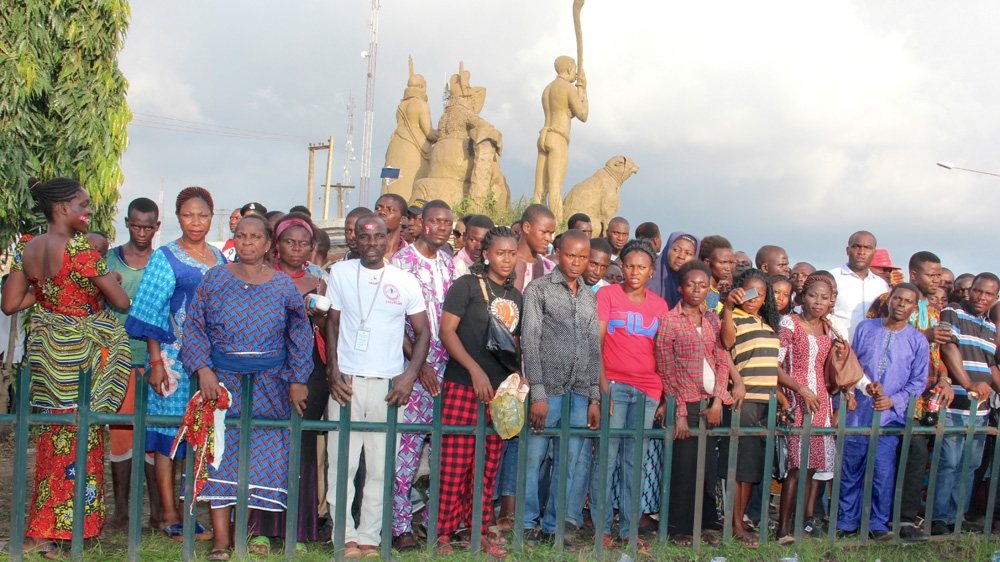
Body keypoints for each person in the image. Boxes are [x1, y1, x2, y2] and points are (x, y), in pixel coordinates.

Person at [1, 177, 131, 556]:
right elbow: (121, 301)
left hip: (48, 357)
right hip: (80, 360)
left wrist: (49, 291)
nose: (88, 211)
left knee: (53, 440)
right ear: (62, 208)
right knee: (81, 438)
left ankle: (42, 530)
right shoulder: (79, 250)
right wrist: (108, 279)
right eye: (83, 205)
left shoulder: (28, 246)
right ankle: (70, 532)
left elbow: (11, 304)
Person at [181, 214, 313, 560]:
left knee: (261, 461)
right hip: (222, 384)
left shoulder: (283, 285)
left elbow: (300, 334)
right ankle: (221, 541)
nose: (247, 242)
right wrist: (203, 370)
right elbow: (194, 326)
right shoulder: (215, 278)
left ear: (268, 244)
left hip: (271, 386)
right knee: (219, 459)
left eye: (255, 237)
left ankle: (247, 534)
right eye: (241, 236)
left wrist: (298, 379)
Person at [324, 214, 430, 557]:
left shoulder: (404, 280)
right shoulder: (340, 273)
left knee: (380, 468)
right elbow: (332, 324)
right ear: (354, 239)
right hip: (348, 382)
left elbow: (424, 332)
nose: (372, 243)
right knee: (343, 464)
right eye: (365, 237)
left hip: (388, 385)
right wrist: (333, 370)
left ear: (389, 238)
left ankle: (369, 536)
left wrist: (409, 375)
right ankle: (344, 535)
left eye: (379, 236)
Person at [126, 187, 226, 541]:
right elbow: (152, 310)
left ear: (211, 217)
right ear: (178, 218)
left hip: (210, 364)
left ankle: (189, 510)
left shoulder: (220, 258)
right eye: (187, 215)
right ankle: (167, 513)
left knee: (199, 434)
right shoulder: (165, 256)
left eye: (202, 215)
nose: (195, 222)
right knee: (168, 435)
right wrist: (156, 361)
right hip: (172, 361)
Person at [243, 212, 330, 547]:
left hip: (310, 371)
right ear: (276, 245)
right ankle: (260, 529)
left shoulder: (319, 281)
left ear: (311, 247)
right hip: (269, 369)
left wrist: (317, 318)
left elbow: (330, 330)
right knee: (266, 444)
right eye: (289, 242)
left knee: (302, 446)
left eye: (303, 243)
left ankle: (299, 529)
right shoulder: (262, 276)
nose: (296, 248)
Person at [435, 226, 522, 558]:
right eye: (500, 253)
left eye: (511, 253)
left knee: (486, 466)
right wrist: (474, 370)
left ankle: (477, 531)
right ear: (486, 254)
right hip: (463, 384)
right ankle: (443, 532)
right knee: (454, 464)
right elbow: (446, 331)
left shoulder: (515, 296)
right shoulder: (466, 286)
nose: (506, 259)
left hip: (499, 392)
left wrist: (517, 377)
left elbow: (512, 344)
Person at [522, 230, 600, 547]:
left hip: (580, 393)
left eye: (583, 257)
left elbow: (594, 348)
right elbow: (530, 342)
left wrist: (594, 396)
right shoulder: (538, 290)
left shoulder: (589, 296)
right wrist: (538, 393)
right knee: (534, 459)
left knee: (567, 464)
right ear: (557, 253)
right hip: (548, 392)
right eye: (571, 255)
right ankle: (527, 524)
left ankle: (553, 527)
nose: (577, 262)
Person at [389, 201, 458, 551]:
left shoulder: (450, 264)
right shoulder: (400, 263)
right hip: (413, 372)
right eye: (436, 221)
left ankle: (434, 524)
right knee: (406, 451)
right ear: (423, 224)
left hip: (449, 371)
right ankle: (400, 527)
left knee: (443, 452)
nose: (443, 227)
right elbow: (394, 321)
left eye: (448, 222)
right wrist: (420, 366)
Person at [837, 283, 928, 540]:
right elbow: (851, 364)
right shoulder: (866, 328)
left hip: (890, 417)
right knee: (851, 468)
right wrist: (861, 387)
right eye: (897, 298)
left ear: (914, 308)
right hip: (858, 411)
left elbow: (918, 382)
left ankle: (877, 524)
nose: (901, 304)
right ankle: (846, 522)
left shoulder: (918, 341)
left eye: (907, 301)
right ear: (889, 300)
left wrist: (893, 400)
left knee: (882, 472)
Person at [597, 239, 669, 553]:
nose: (634, 272)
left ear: (651, 271)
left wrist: (664, 395)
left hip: (647, 390)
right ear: (622, 266)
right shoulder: (607, 295)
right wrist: (603, 390)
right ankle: (601, 529)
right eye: (629, 266)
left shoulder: (660, 305)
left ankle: (628, 530)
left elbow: (663, 353)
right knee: (606, 459)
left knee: (634, 463)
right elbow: (597, 343)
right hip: (614, 384)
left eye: (641, 267)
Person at [657, 260, 734, 547]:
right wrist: (678, 412)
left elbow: (722, 360)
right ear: (681, 288)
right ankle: (680, 527)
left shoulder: (712, 319)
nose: (697, 290)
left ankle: (705, 523)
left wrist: (717, 402)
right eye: (691, 284)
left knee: (706, 467)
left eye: (703, 285)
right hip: (685, 402)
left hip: (710, 402)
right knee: (684, 466)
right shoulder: (669, 320)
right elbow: (666, 369)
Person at [104, 197, 163, 532]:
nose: (141, 233)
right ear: (127, 223)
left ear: (157, 226)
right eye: (136, 226)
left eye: (148, 227)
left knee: (154, 435)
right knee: (121, 437)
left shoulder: (162, 262)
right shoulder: (109, 260)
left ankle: (157, 512)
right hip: (118, 360)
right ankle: (122, 512)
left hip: (156, 362)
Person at [930, 273, 1000, 535]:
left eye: (988, 294)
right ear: (971, 291)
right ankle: (938, 518)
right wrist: (969, 384)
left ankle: (956, 519)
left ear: (995, 298)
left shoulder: (990, 326)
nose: (981, 297)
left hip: (980, 407)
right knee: (948, 463)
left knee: (969, 466)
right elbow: (948, 348)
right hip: (955, 401)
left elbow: (990, 366)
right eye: (978, 291)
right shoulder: (954, 311)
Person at [719, 268, 784, 547]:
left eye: (760, 293)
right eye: (749, 291)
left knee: (751, 467)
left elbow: (771, 365)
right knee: (738, 464)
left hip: (765, 400)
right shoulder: (731, 316)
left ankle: (740, 518)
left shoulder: (766, 323)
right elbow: (725, 346)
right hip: (743, 399)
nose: (753, 297)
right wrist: (728, 307)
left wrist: (781, 396)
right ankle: (734, 522)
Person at [776, 274, 836, 544]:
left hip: (821, 403)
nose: (818, 301)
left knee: (813, 469)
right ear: (802, 297)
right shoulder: (789, 323)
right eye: (813, 295)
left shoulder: (828, 328)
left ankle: (803, 525)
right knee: (797, 467)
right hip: (796, 399)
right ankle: (782, 529)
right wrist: (800, 389)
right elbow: (775, 365)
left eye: (824, 297)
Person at [533, 55, 588, 223]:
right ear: (570, 68)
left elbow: (563, 111)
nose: (576, 74)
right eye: (575, 69)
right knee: (555, 186)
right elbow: (583, 115)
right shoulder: (567, 88)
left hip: (544, 135)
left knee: (539, 189)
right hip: (558, 137)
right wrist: (584, 90)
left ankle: (534, 220)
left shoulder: (548, 89)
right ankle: (556, 224)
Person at [830, 231, 889, 340]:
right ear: (847, 250)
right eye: (856, 247)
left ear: (874, 253)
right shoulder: (832, 278)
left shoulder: (881, 285)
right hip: (838, 346)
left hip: (871, 347)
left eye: (867, 248)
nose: (862, 252)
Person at [649, 232, 700, 308]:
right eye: (676, 250)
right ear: (667, 250)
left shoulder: (698, 290)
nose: (681, 256)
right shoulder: (647, 279)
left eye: (688, 253)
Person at [513, 204, 556, 292]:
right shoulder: (504, 262)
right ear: (527, 227)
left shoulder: (550, 269)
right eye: (544, 232)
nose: (548, 238)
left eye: (551, 234)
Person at [699, 235, 734, 314]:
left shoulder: (714, 292)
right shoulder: (702, 291)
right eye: (723, 262)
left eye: (731, 262)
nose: (728, 268)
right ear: (707, 262)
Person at [374, 193, 409, 258]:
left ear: (402, 220)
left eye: (390, 209)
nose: (382, 212)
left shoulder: (411, 255)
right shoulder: (363, 250)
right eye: (378, 208)